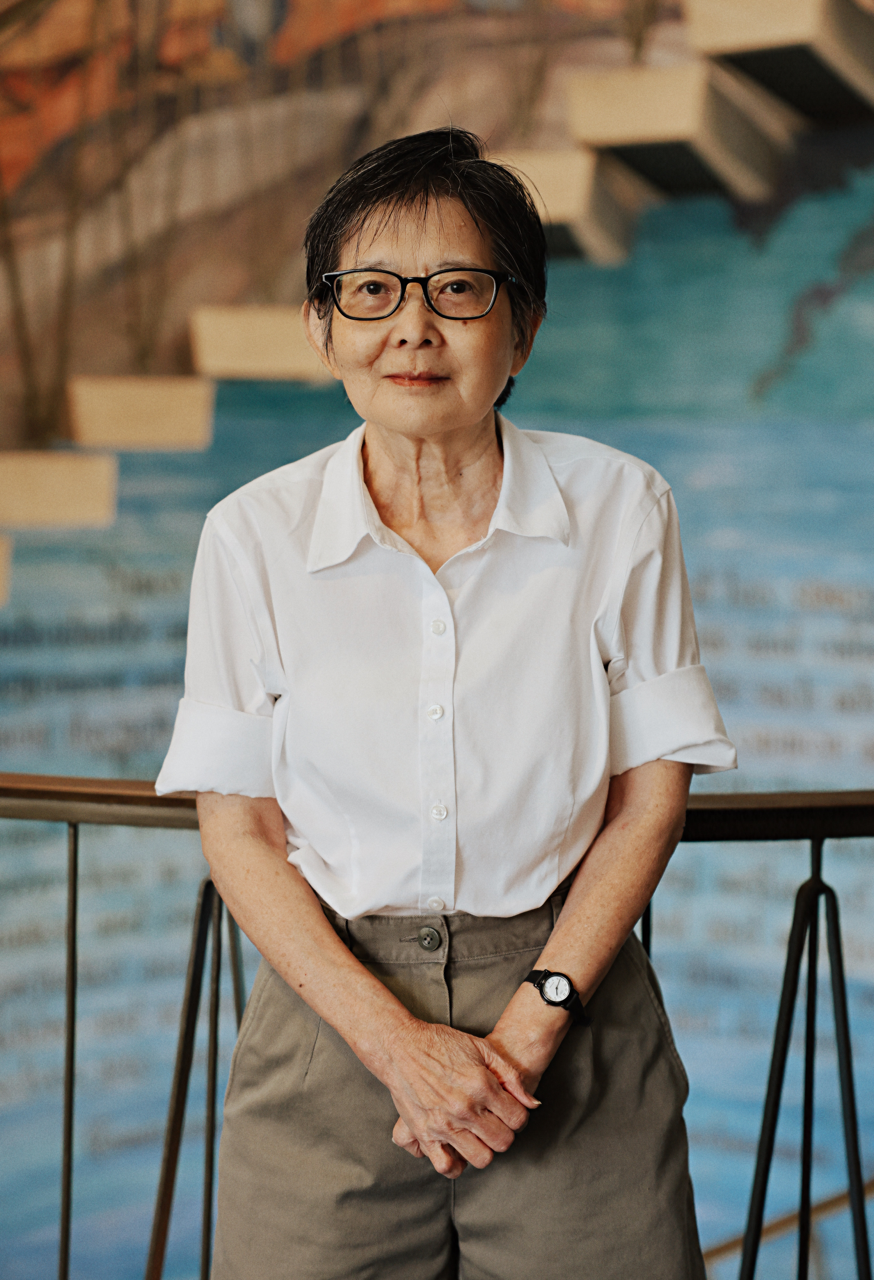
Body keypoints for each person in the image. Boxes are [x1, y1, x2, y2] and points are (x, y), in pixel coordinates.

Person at [156, 127, 736, 1280]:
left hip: (571, 1011)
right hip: (331, 1018)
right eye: (371, 290)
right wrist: (395, 1044)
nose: (412, 326)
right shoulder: (251, 534)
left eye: (458, 289)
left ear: (523, 326)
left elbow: (648, 799)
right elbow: (240, 826)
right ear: (322, 325)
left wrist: (533, 1018)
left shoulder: (620, 507)